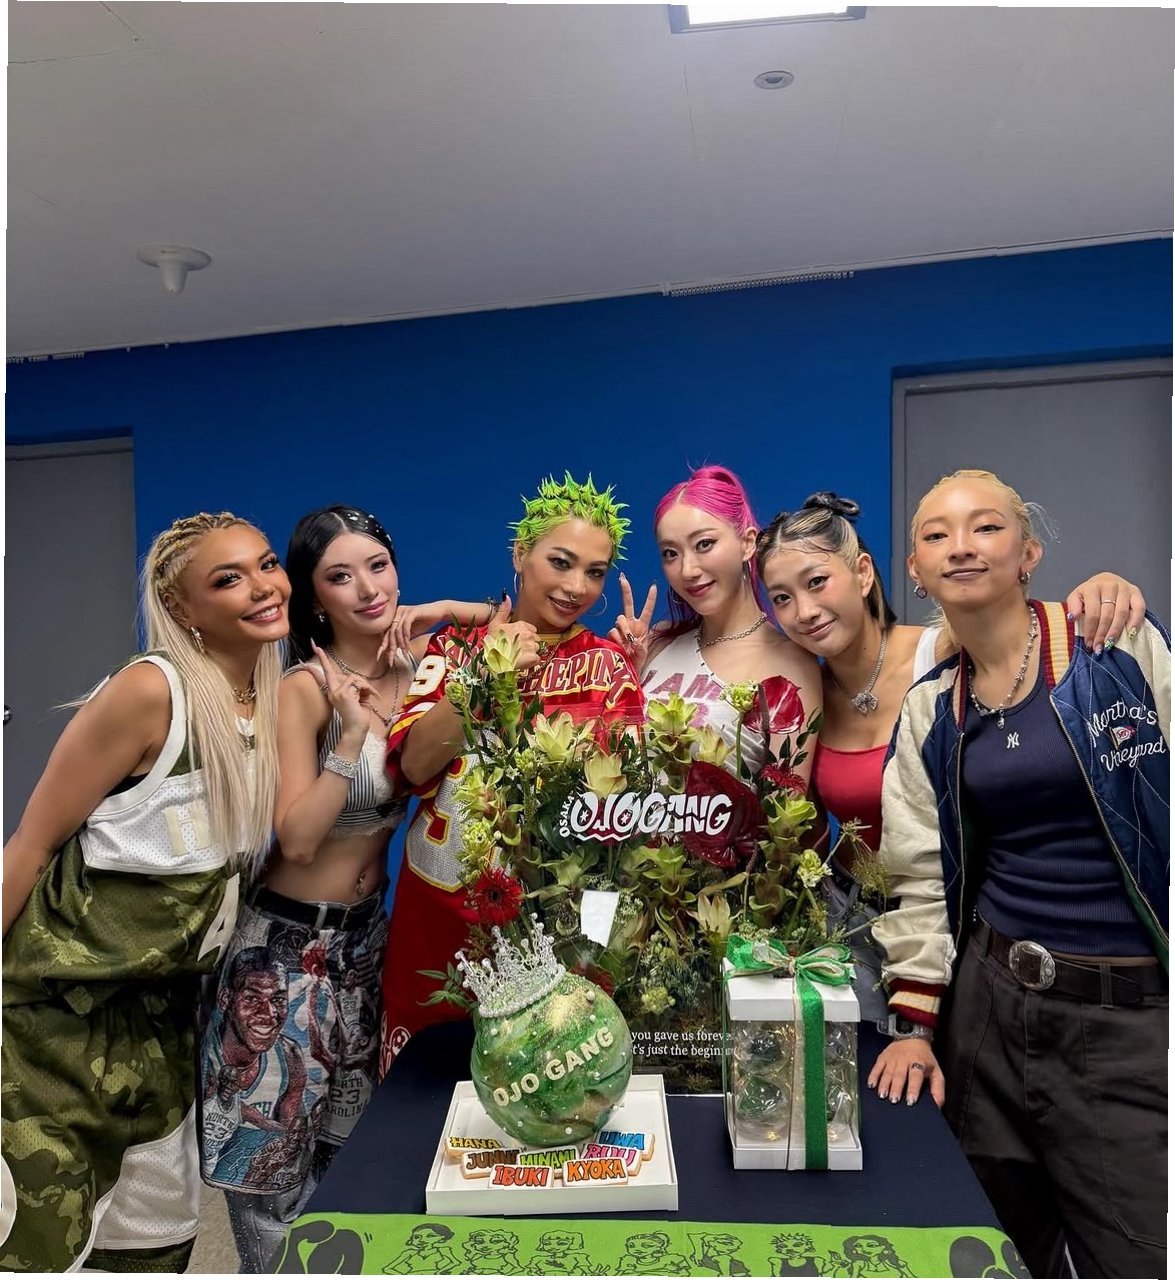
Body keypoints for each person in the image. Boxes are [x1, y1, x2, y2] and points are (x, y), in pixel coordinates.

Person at [867, 469, 1168, 1280]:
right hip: (989, 1014)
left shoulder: (1118, 647)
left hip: (1129, 1020)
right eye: (936, 535)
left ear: (1027, 552)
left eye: (985, 527)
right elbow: (918, 874)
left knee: (1136, 1253)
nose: (960, 546)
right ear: (916, 570)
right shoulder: (932, 707)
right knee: (991, 1249)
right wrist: (915, 1029)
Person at [199, 503, 492, 1271]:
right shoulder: (305, 686)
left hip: (367, 949)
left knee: (352, 1169)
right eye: (340, 576)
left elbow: (511, 628)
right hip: (283, 956)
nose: (368, 589)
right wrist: (352, 739)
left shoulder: (424, 666)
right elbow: (296, 837)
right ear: (313, 597)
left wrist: (445, 607)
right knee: (271, 1180)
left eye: (378, 566)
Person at [0, 512, 289, 1272]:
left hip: (162, 1028)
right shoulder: (149, 691)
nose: (263, 587)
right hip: (53, 1023)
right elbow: (30, 844)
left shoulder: (265, 698)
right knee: (36, 1248)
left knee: (151, 1249)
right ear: (183, 608)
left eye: (266, 564)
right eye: (228, 578)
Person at [755, 492, 1148, 1022]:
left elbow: (1022, 634)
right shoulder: (805, 694)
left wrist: (1106, 588)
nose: (803, 611)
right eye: (781, 598)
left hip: (962, 918)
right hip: (851, 924)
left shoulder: (940, 654)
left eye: (817, 582)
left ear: (863, 573)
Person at [380, 473, 646, 1070]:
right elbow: (414, 766)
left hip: (556, 929)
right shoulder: (454, 648)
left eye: (595, 572)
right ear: (520, 553)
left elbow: (622, 820)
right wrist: (485, 675)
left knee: (544, 1097)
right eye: (561, 562)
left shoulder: (608, 667)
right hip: (441, 923)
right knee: (427, 1102)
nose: (576, 587)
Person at [612, 465, 822, 783]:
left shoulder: (790, 664)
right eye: (671, 553)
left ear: (747, 543)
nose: (688, 570)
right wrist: (620, 671)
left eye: (704, 544)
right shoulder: (657, 643)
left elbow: (787, 806)